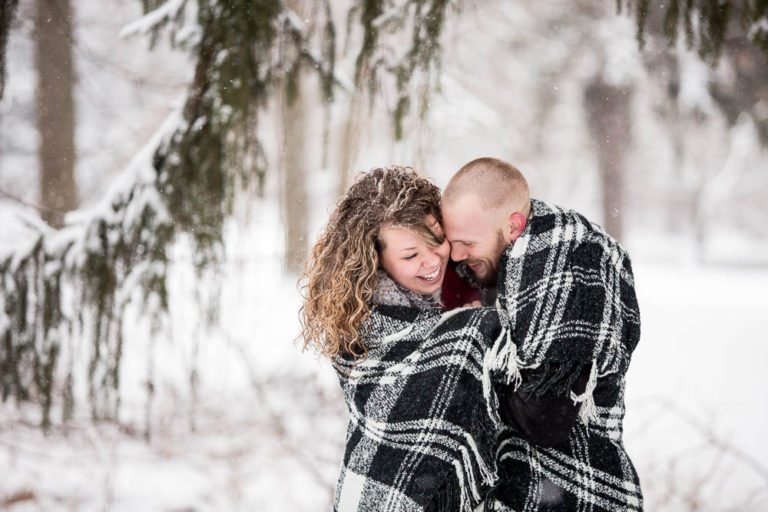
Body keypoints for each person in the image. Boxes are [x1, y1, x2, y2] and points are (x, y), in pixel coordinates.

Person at [441, 157, 644, 511]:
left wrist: (461, 372)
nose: (456, 255)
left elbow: (545, 418)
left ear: (514, 225)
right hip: (516, 487)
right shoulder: (509, 261)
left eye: (467, 243)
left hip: (575, 490)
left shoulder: (573, 262)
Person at [301, 166, 503, 511]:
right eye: (410, 255)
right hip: (385, 493)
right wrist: (472, 327)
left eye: (436, 241)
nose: (431, 262)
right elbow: (401, 405)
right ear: (374, 259)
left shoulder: (474, 279)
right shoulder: (365, 326)